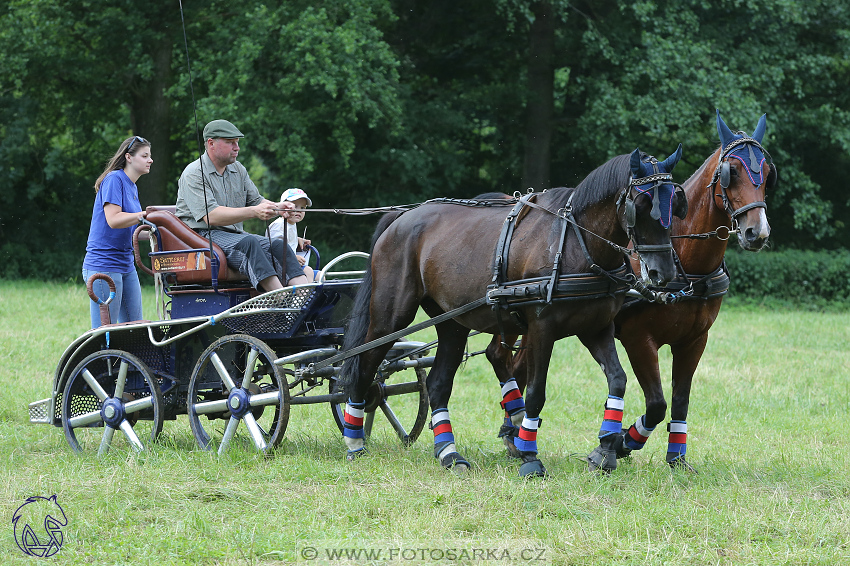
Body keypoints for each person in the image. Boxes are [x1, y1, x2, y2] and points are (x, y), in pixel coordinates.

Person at [175, 119, 309, 291]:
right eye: (230, 142)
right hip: (201, 237)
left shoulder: (238, 169)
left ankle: (305, 298)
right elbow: (211, 216)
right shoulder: (193, 173)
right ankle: (281, 301)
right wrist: (254, 211)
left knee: (277, 245)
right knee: (249, 242)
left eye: (237, 142)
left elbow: (256, 201)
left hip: (234, 235)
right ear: (211, 143)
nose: (237, 147)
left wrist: (279, 207)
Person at [82, 136, 152, 329]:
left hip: (126, 265)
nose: (150, 160)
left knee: (134, 329)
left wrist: (159, 229)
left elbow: (131, 229)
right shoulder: (114, 179)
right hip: (103, 265)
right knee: (106, 333)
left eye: (150, 156)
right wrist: (144, 215)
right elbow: (113, 220)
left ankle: (128, 361)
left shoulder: (132, 186)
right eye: (144, 155)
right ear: (129, 157)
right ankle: (100, 360)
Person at [267, 188, 315, 281]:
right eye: (295, 206)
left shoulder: (291, 224)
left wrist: (297, 239)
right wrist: (293, 257)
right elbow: (273, 249)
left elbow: (285, 238)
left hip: (289, 266)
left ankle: (315, 294)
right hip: (279, 269)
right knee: (308, 271)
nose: (299, 210)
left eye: (302, 208)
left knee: (320, 275)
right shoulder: (279, 226)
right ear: (283, 207)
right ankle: (304, 295)